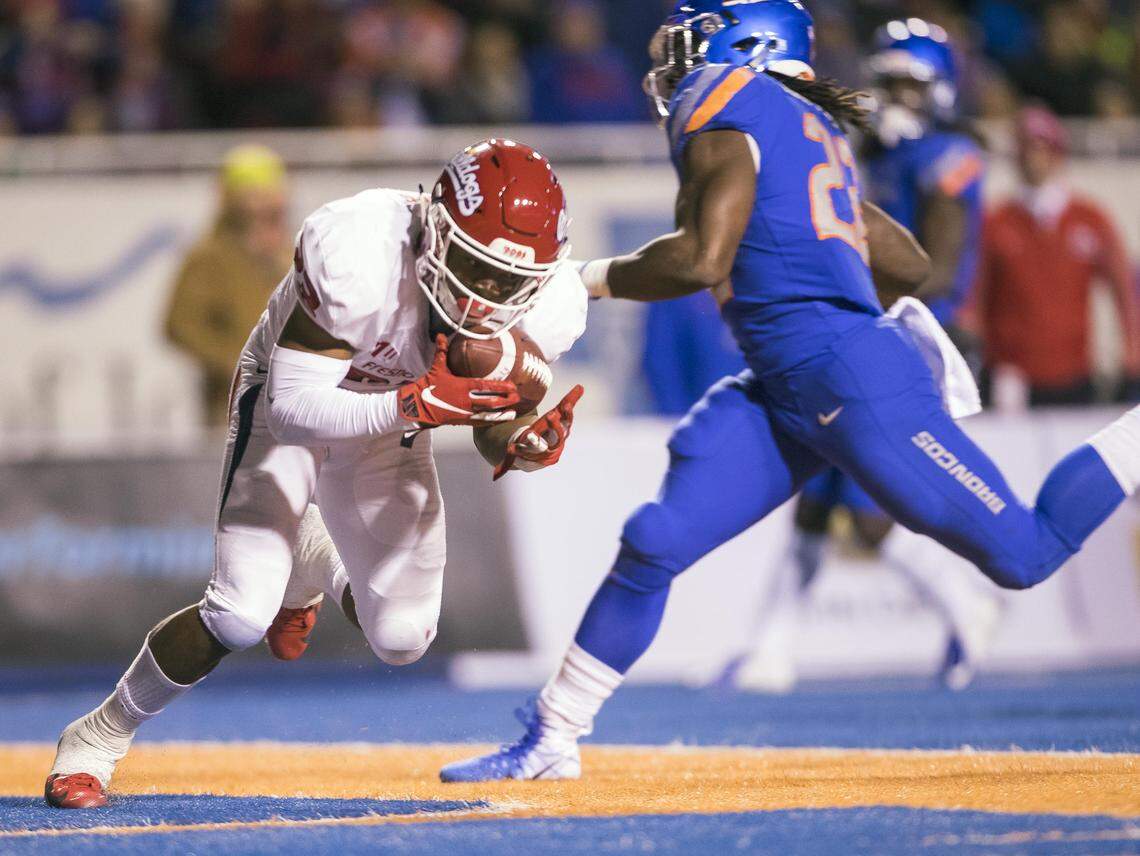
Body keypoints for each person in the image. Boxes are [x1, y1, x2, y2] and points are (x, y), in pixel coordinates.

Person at [441, 0, 1140, 783]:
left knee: (1025, 553)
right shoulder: (816, 132)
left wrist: (585, 280)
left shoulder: (723, 95)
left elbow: (704, 259)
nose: (676, 64)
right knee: (655, 540)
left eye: (692, 44)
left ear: (743, 48)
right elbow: (907, 265)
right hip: (788, 381)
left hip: (843, 373)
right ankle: (553, 737)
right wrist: (839, 230)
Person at [44, 139, 588, 808]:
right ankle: (96, 738)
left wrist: (521, 440)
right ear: (436, 229)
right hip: (292, 393)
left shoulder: (551, 304)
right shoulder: (360, 250)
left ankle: (311, 563)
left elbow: (491, 423)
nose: (487, 301)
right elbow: (296, 409)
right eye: (477, 270)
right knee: (241, 612)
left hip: (392, 415)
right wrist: (416, 402)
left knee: (402, 638)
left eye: (510, 285)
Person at [724, 19, 999, 695]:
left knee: (871, 513)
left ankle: (967, 601)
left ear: (939, 89)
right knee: (817, 495)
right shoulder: (869, 150)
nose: (896, 97)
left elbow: (935, 267)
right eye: (888, 83)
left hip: (919, 337)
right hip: (865, 334)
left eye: (910, 84)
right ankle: (772, 650)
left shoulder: (950, 156)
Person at [973, 104, 1139, 407]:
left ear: (1057, 153)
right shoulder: (996, 222)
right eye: (1026, 148)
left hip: (1074, 374)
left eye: (1042, 147)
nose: (1033, 158)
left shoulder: (1089, 219)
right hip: (1012, 375)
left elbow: (1124, 287)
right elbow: (975, 297)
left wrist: (1131, 348)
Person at [165, 145, 294, 425]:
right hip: (232, 408)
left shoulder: (292, 252)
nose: (265, 205)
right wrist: (234, 364)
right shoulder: (209, 257)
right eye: (255, 197)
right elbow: (179, 325)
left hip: (293, 406)